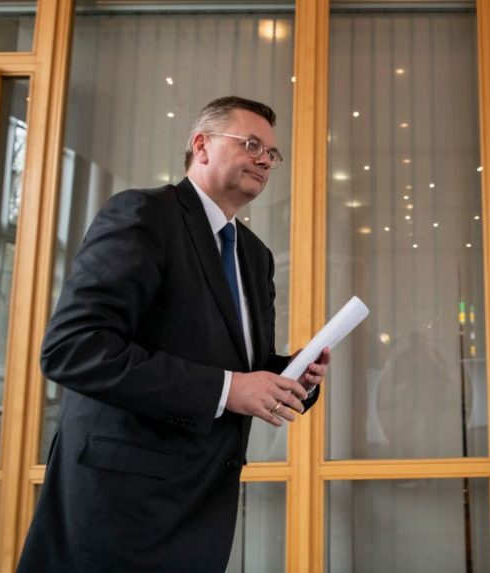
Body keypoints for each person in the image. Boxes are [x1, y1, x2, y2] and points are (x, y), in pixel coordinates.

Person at [17, 96, 329, 572]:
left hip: (203, 503)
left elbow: (239, 368)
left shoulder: (254, 255)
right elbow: (73, 349)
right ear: (201, 146)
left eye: (271, 152)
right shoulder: (143, 215)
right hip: (122, 508)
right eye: (251, 144)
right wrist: (228, 389)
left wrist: (291, 375)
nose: (265, 159)